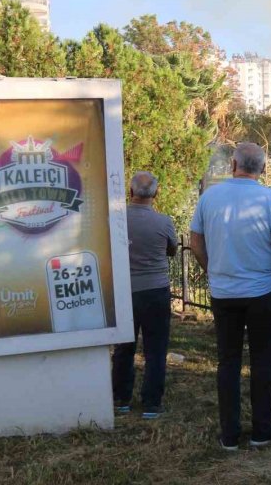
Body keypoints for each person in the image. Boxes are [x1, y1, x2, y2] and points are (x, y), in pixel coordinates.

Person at [189, 143, 271, 451]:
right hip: (263, 290)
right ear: (263, 169)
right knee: (262, 361)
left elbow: (196, 242)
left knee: (228, 361)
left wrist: (213, 269)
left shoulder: (209, 196)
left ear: (233, 163)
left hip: (223, 292)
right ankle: (262, 430)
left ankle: (230, 434)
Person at [111, 171, 178, 419]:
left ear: (130, 193)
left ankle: (121, 399)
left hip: (125, 290)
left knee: (123, 346)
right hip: (155, 290)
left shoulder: (116, 220)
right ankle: (151, 403)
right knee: (156, 348)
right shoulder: (164, 222)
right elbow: (172, 249)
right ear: (156, 194)